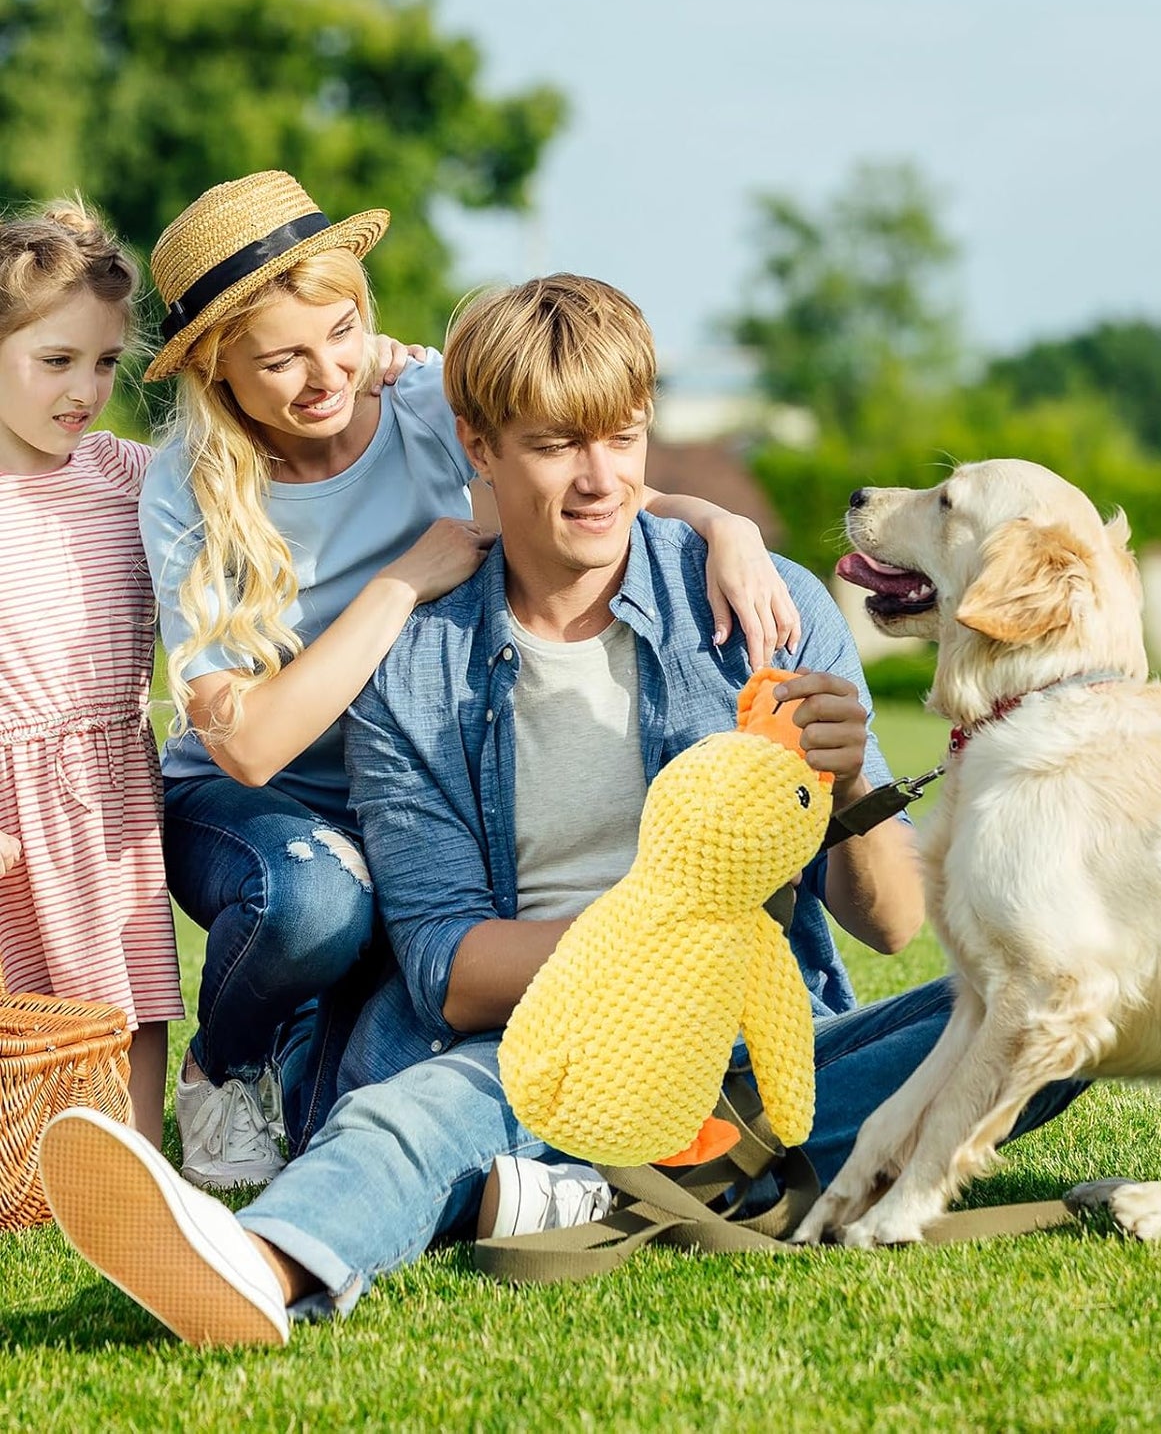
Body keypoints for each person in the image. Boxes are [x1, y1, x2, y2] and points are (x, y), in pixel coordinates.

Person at [39, 273, 1086, 1347]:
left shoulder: (757, 606)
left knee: (1038, 1014)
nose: (599, 482)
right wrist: (660, 942)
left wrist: (853, 787)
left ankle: (589, 1183)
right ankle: (261, 1261)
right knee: (417, 1111)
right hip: (531, 1042)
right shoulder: (413, 663)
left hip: (755, 1047)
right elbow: (445, 966)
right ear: (474, 448)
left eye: (621, 439)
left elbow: (893, 924)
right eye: (553, 446)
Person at [135, 172, 804, 1190]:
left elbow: (579, 473)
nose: (325, 375)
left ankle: (348, 1075)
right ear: (218, 367)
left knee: (356, 1084)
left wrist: (723, 524)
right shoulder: (188, 483)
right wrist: (409, 577)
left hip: (416, 788)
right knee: (316, 900)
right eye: (282, 358)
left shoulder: (417, 397)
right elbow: (249, 745)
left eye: (342, 332)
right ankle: (223, 1064)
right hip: (257, 809)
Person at [0, 200, 184, 1148]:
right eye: (56, 361)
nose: (85, 391)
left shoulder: (121, 472)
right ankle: (33, 1151)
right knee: (23, 992)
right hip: (8, 791)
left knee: (134, 978)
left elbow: (246, 479)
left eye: (106, 363)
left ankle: (140, 1149)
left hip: (110, 784)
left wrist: (386, 379)